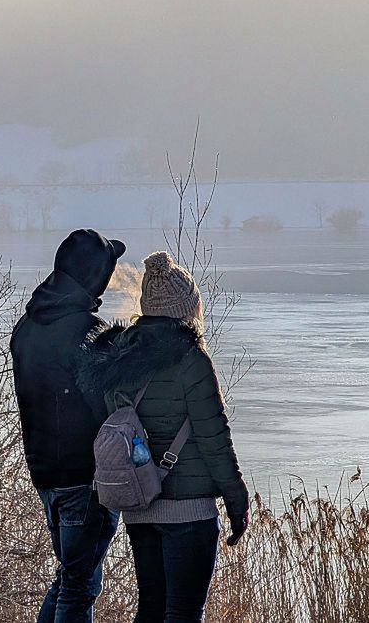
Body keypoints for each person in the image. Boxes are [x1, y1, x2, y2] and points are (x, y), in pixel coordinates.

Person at [79, 251, 249, 623]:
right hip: (188, 510)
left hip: (139, 504)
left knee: (151, 611)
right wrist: (237, 499)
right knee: (184, 614)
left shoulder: (118, 355)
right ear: (187, 307)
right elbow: (213, 435)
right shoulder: (191, 360)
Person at [11, 229, 127, 623]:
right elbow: (109, 402)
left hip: (44, 474)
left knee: (69, 580)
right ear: (95, 277)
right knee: (79, 585)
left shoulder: (27, 326)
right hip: (83, 478)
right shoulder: (87, 333)